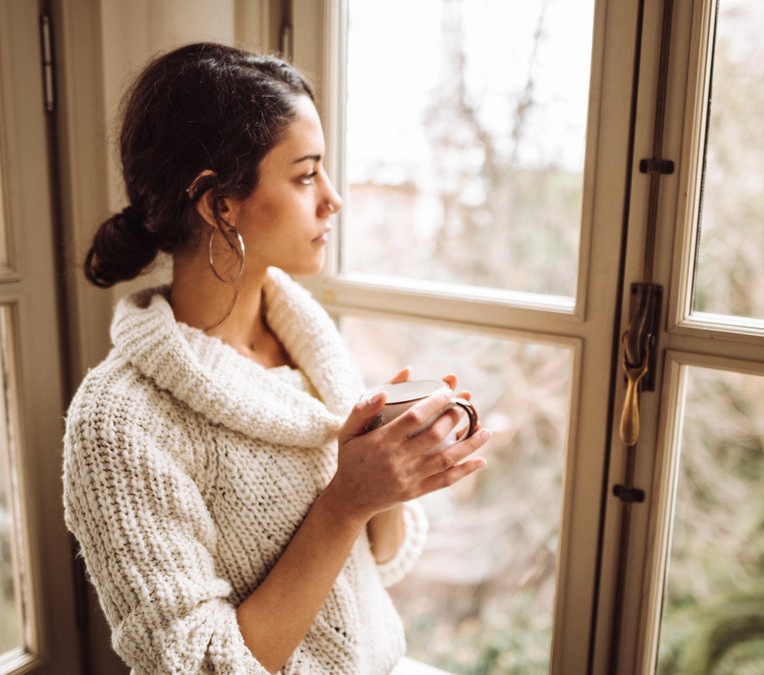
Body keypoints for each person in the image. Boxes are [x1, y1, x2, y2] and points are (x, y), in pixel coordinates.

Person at [63, 42, 490, 674]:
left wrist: (390, 471)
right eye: (304, 174)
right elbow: (200, 666)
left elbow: (375, 566)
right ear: (218, 204)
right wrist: (346, 498)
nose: (333, 198)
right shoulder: (119, 424)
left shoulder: (307, 342)